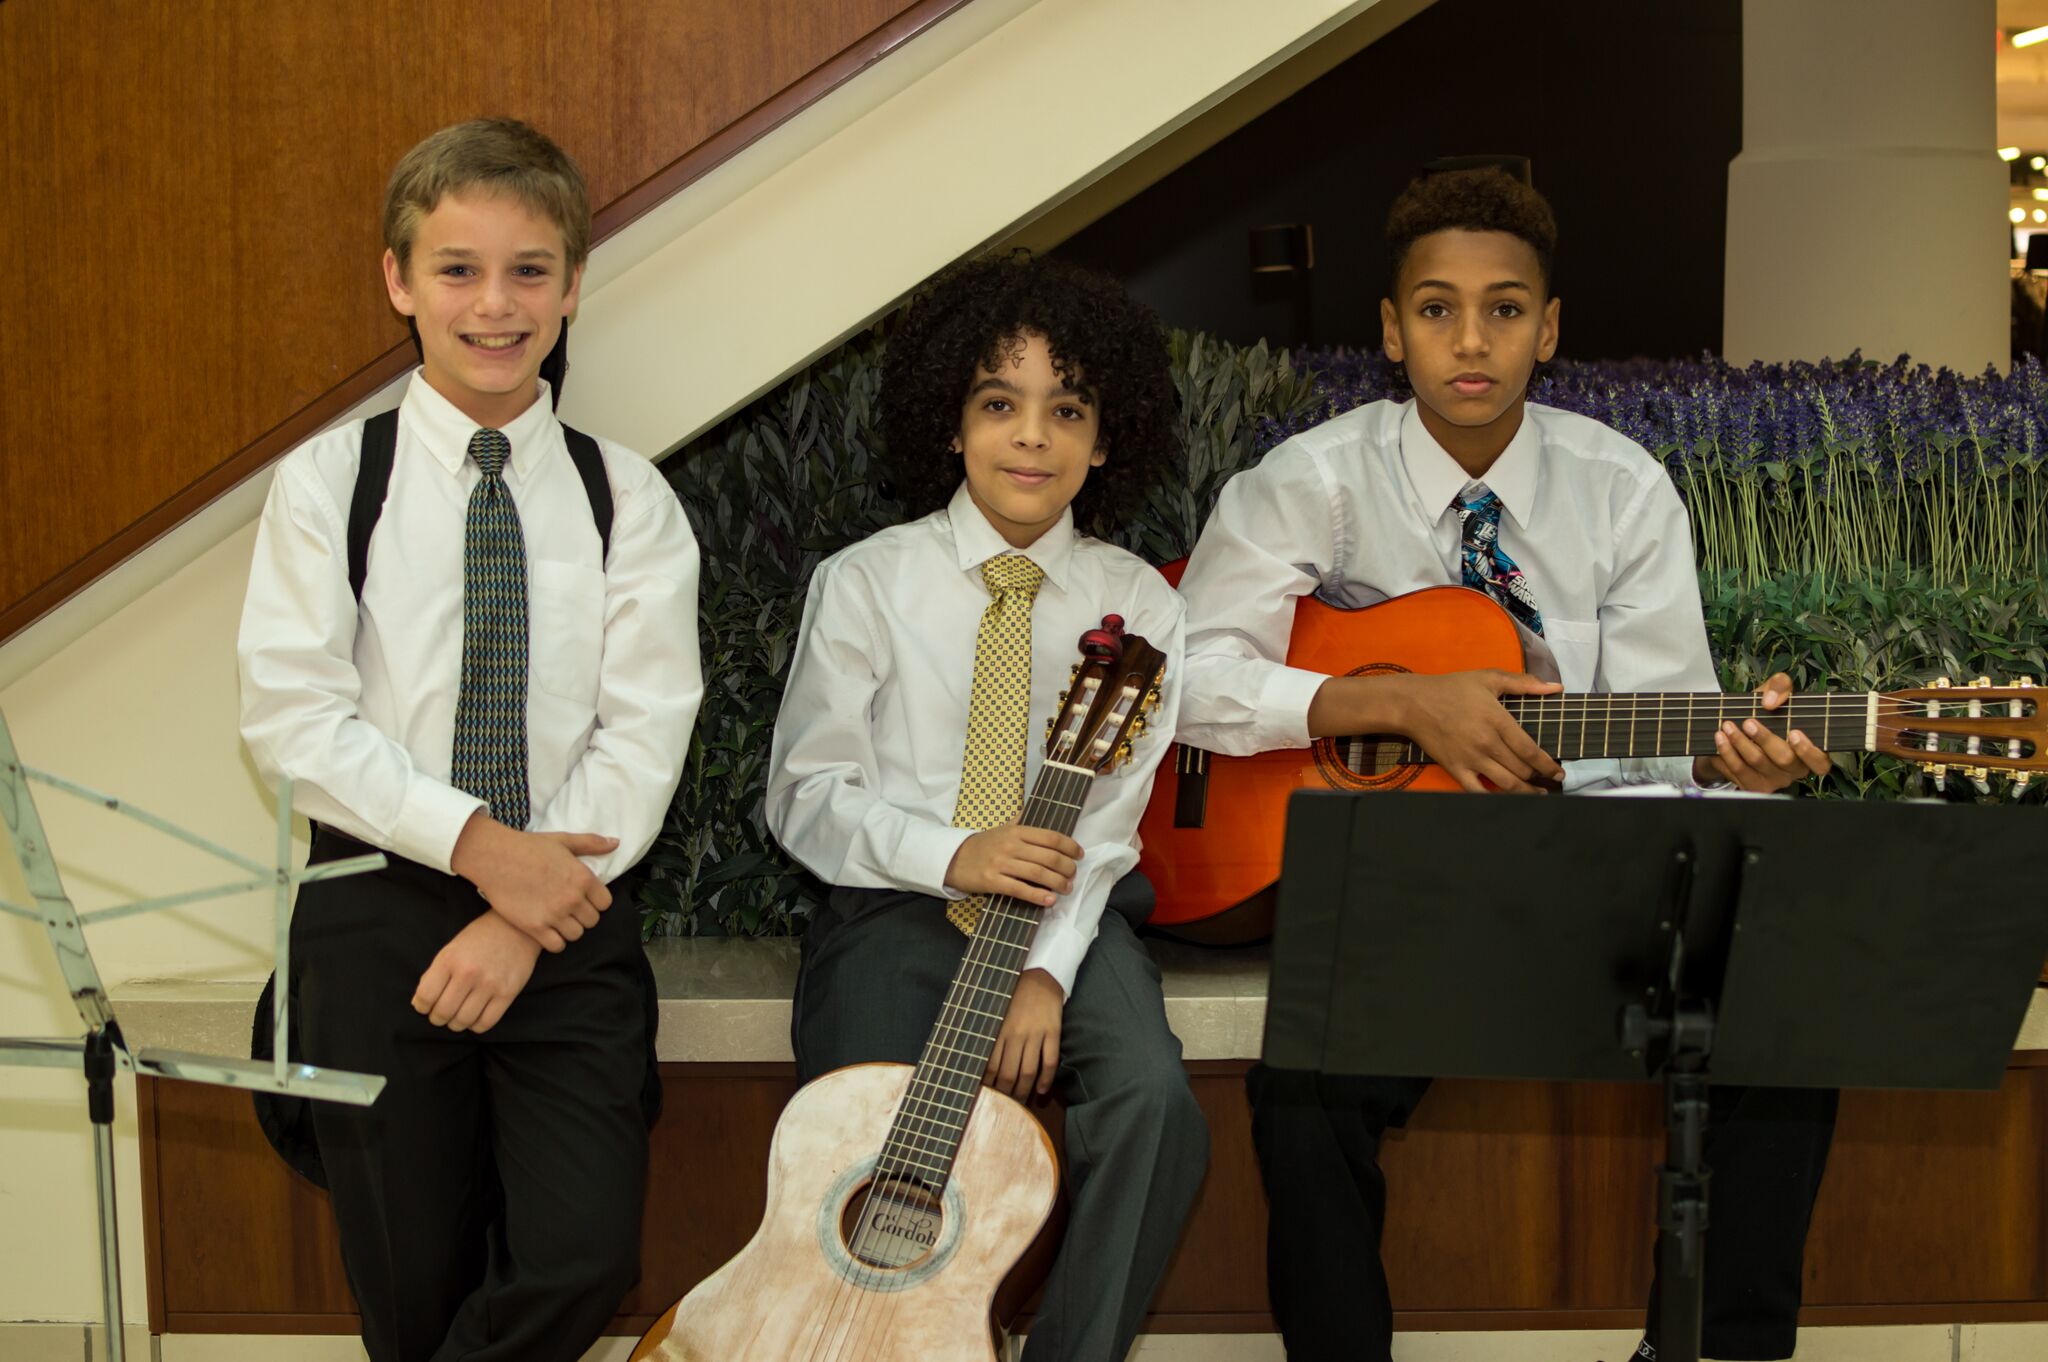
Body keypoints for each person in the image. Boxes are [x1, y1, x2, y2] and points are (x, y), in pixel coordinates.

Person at [1175, 167, 1837, 1362]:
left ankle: (1705, 1354)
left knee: (1781, 1030)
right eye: (1434, 309)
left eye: (1502, 309)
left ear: (1549, 328)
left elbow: (1666, 742)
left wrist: (1741, 773)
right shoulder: (1308, 482)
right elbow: (1188, 677)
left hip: (1581, 886)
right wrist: (1393, 701)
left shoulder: (1621, 491)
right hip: (1395, 886)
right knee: (1304, 1086)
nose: (1469, 340)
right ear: (1388, 331)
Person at [237, 117, 702, 1362]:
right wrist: (474, 846)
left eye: (529, 269)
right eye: (456, 269)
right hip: (371, 905)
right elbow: (292, 718)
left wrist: (518, 902)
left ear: (572, 284)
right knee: (411, 1280)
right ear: (398, 281)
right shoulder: (329, 484)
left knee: (581, 1255)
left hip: (569, 903)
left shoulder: (628, 500)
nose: (494, 305)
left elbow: (644, 731)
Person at [765, 252, 1208, 1361]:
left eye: (1066, 410)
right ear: (950, 423)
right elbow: (804, 797)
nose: (1030, 437)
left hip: (1068, 905)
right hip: (895, 900)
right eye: (998, 403)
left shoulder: (1136, 601)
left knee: (1154, 1105)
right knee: (853, 1143)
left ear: (1105, 439)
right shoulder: (866, 581)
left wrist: (1042, 972)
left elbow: (1108, 824)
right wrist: (953, 855)